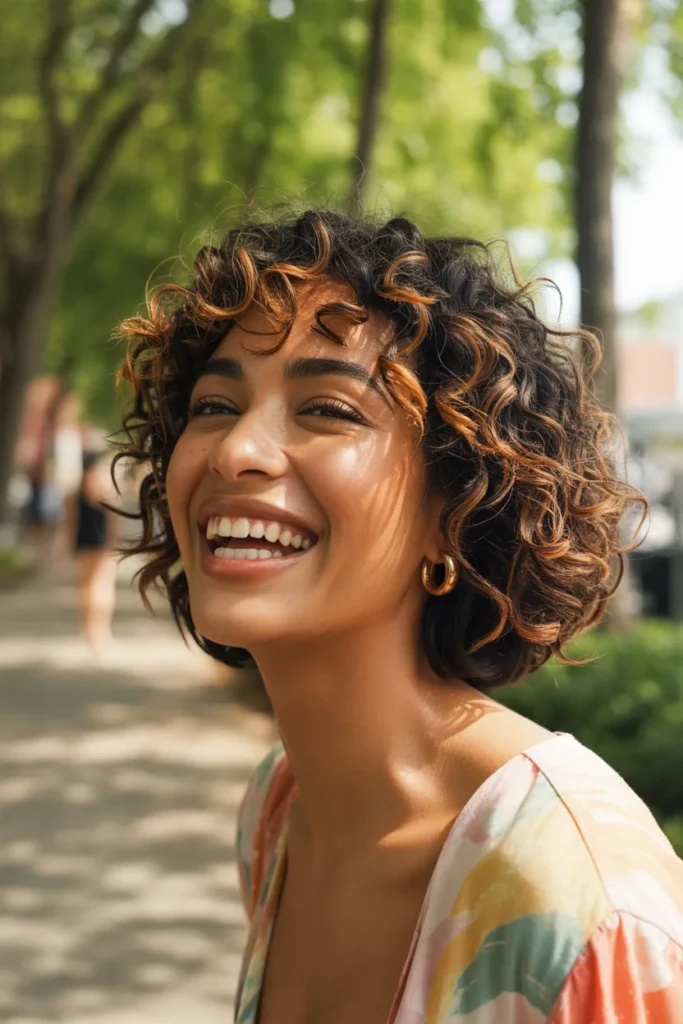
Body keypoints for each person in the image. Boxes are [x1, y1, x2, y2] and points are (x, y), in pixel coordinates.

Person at [115, 211, 683, 1023]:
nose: (238, 448)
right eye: (213, 405)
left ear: (454, 506)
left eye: (328, 410)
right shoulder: (279, 809)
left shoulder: (581, 902)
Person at [73, 450, 118, 652]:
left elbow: (70, 520)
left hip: (83, 540)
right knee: (104, 586)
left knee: (85, 587)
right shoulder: (104, 488)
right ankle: (102, 630)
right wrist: (115, 541)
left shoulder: (76, 491)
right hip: (101, 541)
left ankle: (87, 629)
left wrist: (65, 544)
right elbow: (113, 519)